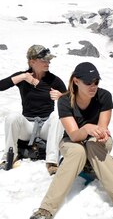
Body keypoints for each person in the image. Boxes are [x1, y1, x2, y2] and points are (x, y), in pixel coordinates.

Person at [29, 62, 113, 219]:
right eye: (88, 82)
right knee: (78, 152)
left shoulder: (104, 96)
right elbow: (74, 135)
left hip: (97, 142)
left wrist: (101, 134)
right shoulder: (65, 101)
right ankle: (46, 209)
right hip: (72, 142)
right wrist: (87, 128)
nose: (93, 86)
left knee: (93, 146)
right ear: (76, 81)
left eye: (96, 82)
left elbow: (103, 129)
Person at [0, 45, 66, 173]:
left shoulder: (53, 79)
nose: (48, 62)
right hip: (27, 126)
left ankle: (52, 162)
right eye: (44, 60)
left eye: (49, 60)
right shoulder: (23, 77)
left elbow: (72, 97)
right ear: (32, 61)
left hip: (47, 127)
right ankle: (10, 157)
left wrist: (61, 96)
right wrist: (22, 77)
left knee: (57, 116)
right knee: (12, 117)